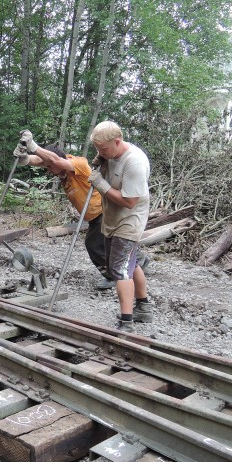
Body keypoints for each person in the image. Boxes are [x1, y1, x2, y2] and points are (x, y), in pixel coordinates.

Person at [13, 135, 115, 289]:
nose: (48, 170)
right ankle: (139, 260)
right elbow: (35, 161)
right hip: (93, 216)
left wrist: (33, 145)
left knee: (93, 244)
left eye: (49, 167)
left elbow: (53, 161)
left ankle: (112, 275)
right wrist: (23, 156)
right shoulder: (57, 167)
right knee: (111, 242)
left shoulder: (78, 164)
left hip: (103, 211)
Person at [87, 121, 153, 332]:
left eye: (103, 149)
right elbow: (107, 161)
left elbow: (129, 201)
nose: (101, 153)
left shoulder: (135, 163)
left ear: (117, 141)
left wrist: (100, 184)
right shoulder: (111, 154)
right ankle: (144, 308)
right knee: (129, 264)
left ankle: (127, 321)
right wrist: (102, 160)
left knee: (120, 269)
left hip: (129, 219)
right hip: (113, 218)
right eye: (98, 149)